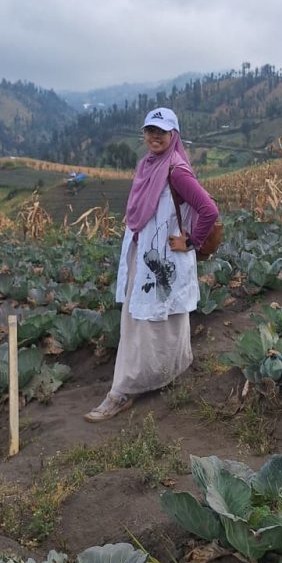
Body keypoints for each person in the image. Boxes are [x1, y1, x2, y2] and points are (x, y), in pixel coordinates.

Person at [84, 107, 219, 422]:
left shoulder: (176, 170)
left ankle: (124, 389)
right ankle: (167, 371)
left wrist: (192, 241)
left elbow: (208, 209)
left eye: (161, 131)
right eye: (149, 130)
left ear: (174, 135)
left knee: (143, 323)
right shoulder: (148, 164)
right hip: (147, 255)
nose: (155, 136)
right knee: (156, 318)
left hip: (163, 258)